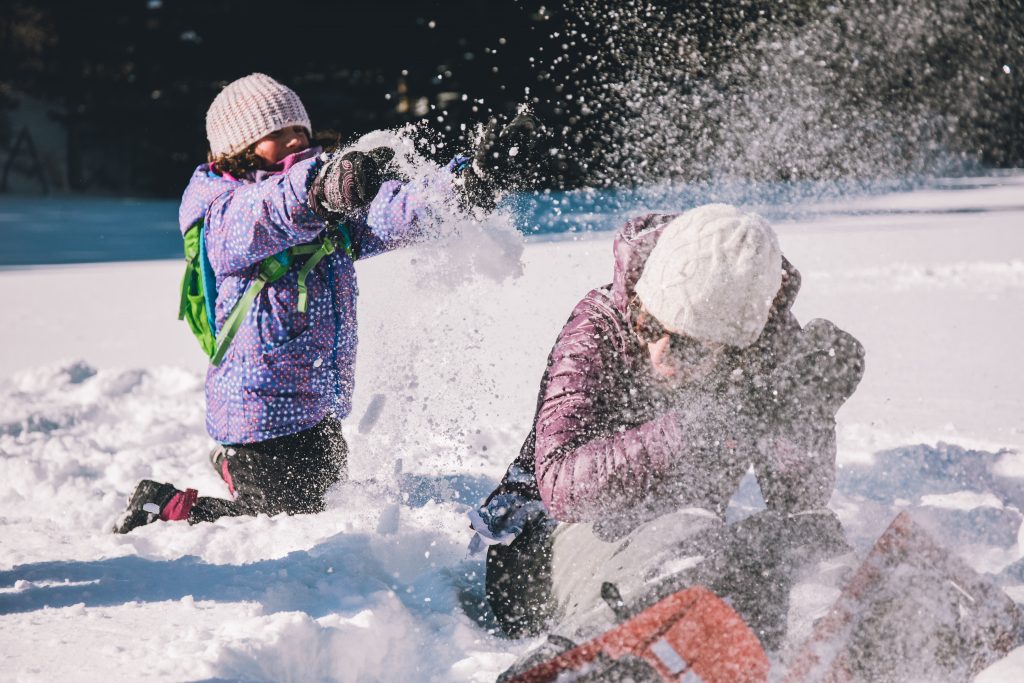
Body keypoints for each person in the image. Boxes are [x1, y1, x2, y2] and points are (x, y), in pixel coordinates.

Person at [115, 73, 540, 533]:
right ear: (234, 151)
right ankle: (165, 505)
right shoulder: (225, 211)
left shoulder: (325, 203)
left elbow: (391, 214)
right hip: (259, 413)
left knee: (324, 496)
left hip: (319, 403)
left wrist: (467, 186)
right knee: (275, 521)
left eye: (298, 129)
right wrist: (322, 190)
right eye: (274, 135)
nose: (294, 139)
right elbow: (272, 211)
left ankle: (230, 466)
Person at [472, 204, 865, 647]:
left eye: (689, 347)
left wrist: (808, 409)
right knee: (688, 538)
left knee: (802, 535)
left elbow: (796, 501)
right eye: (651, 325)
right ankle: (600, 663)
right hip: (539, 557)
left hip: (681, 555)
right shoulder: (599, 324)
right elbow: (561, 486)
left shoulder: (760, 340)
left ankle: (840, 641)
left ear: (735, 348)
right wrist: (692, 429)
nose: (660, 352)